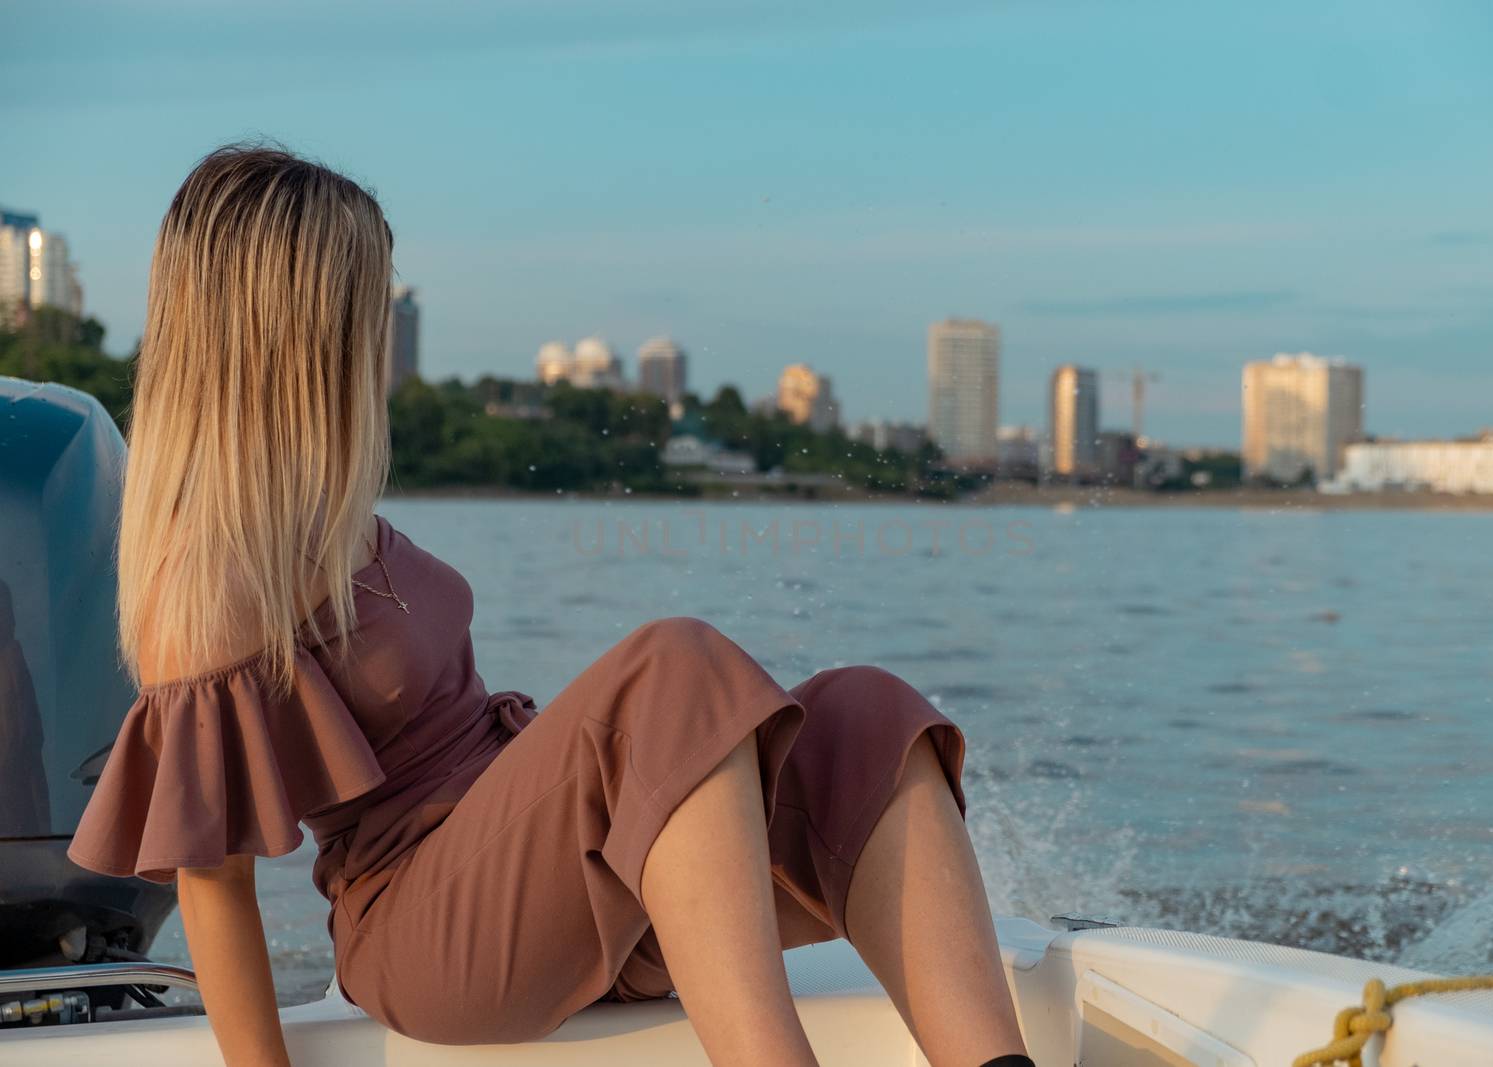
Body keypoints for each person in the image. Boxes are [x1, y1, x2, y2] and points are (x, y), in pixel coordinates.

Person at [67, 143, 1034, 1067]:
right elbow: (214, 881)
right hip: (427, 926)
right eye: (363, 304)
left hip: (536, 874)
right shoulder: (208, 574)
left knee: (863, 718)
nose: (378, 332)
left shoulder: (328, 510)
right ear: (288, 331)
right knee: (677, 666)